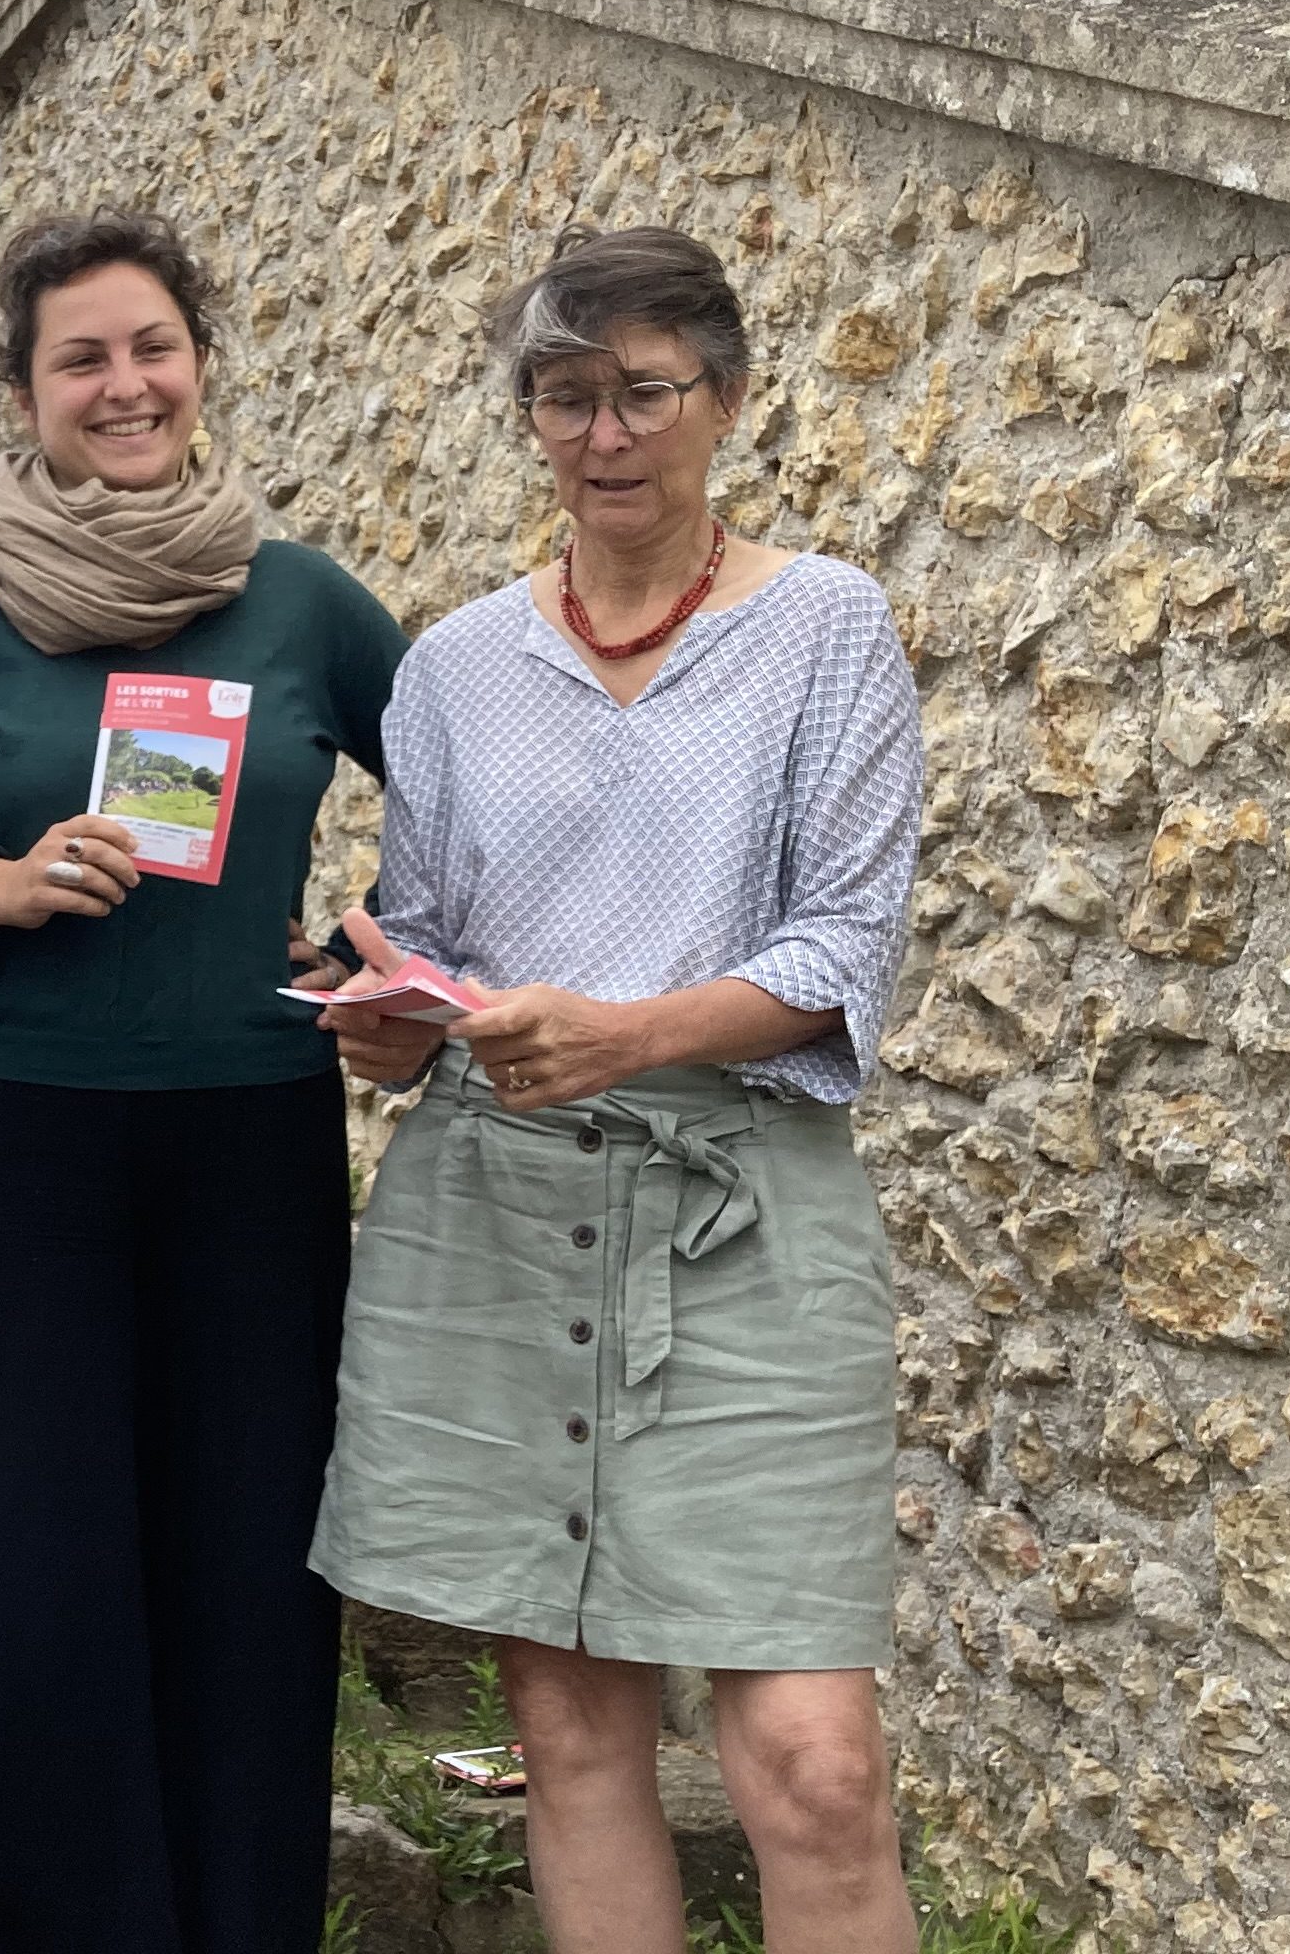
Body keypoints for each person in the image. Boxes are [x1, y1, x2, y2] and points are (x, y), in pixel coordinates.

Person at [309, 225, 927, 1954]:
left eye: (645, 391)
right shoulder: (455, 665)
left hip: (748, 1223)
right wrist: (390, 1020)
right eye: (566, 395)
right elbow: (433, 933)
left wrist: (634, 1036)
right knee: (572, 1733)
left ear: (726, 398)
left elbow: (846, 944)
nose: (605, 433)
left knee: (815, 1767)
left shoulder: (826, 628)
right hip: (499, 1212)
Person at [0, 209, 404, 1953]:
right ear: (23, 396)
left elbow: (477, 781)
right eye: (82, 359)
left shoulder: (302, 602)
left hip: (249, 1147)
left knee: (244, 1567)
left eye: (153, 348)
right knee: (16, 1575)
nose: (124, 385)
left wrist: (379, 947)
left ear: (199, 368)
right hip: (4, 1148)